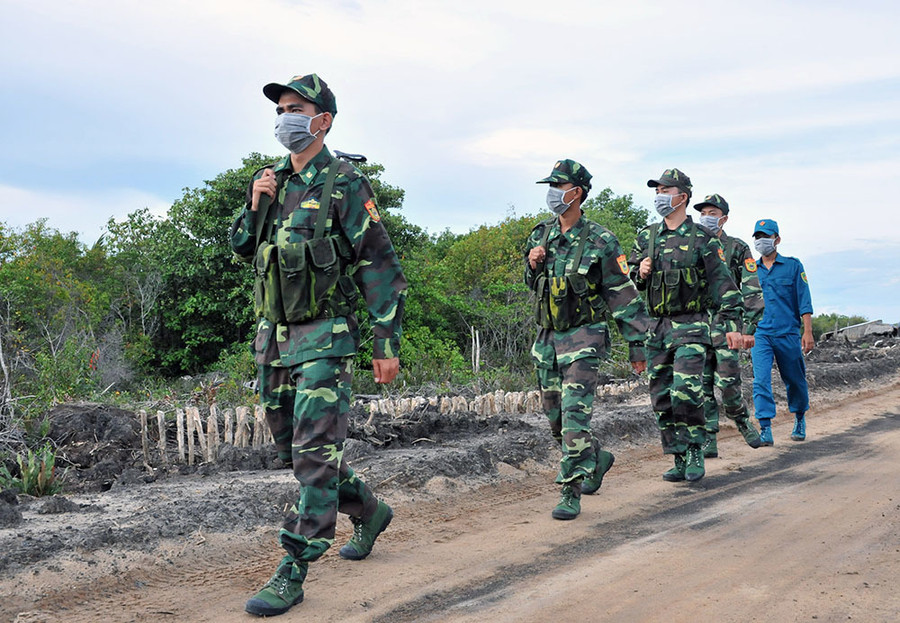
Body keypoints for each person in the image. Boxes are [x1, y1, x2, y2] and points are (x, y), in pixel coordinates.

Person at [230, 73, 407, 617]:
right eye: (280, 108)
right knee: (295, 450)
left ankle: (294, 568)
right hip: (274, 341)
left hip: (324, 339)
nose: (284, 117)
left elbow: (378, 265)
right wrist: (256, 202)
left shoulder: (346, 183)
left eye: (294, 108)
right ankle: (368, 508)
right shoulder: (272, 180)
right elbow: (242, 247)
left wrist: (385, 342)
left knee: (312, 457)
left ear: (322, 120)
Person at [525, 159, 650, 520]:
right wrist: (532, 265)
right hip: (547, 339)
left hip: (584, 338)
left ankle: (570, 490)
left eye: (558, 187)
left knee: (575, 418)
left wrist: (637, 345)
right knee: (556, 420)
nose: (551, 194)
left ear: (576, 193)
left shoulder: (601, 240)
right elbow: (532, 284)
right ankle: (595, 456)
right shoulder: (540, 235)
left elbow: (622, 294)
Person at [629, 169, 747, 483]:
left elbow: (724, 284)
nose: (660, 196)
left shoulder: (703, 239)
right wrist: (639, 271)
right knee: (661, 397)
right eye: (657, 191)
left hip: (693, 326)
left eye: (666, 190)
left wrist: (732, 325)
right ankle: (678, 456)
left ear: (682, 196)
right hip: (657, 328)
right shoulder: (647, 236)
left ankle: (696, 449)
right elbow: (631, 281)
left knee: (686, 391)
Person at [695, 194, 764, 457]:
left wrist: (748, 329)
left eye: (712, 213)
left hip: (728, 327)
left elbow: (751, 289)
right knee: (701, 386)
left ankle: (742, 420)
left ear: (723, 217)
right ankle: (708, 438)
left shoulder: (737, 247)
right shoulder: (692, 245)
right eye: (703, 212)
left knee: (728, 383)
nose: (706, 217)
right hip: (698, 327)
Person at [750, 219, 814, 445]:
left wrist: (807, 331)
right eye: (757, 237)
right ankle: (765, 427)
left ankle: (799, 418)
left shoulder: (793, 266)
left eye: (766, 236)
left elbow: (804, 300)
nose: (761, 241)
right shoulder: (750, 270)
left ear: (777, 239)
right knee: (761, 380)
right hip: (761, 334)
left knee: (795, 379)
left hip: (788, 333)